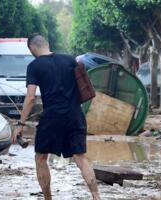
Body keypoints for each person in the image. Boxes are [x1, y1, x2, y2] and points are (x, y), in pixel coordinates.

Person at [12, 34, 100, 200]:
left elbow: (30, 98)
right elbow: (84, 87)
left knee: (41, 157)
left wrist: (20, 124)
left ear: (32, 48)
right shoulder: (69, 60)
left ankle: (48, 198)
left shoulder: (34, 66)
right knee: (80, 157)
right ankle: (96, 197)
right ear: (47, 43)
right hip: (75, 113)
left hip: (52, 116)